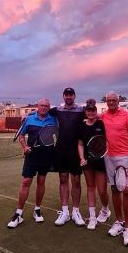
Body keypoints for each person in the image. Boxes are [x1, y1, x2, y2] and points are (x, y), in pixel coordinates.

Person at [7, 98, 57, 228]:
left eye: (47, 106)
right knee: (26, 182)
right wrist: (24, 147)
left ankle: (37, 210)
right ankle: (19, 214)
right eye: (42, 105)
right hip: (31, 155)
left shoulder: (53, 119)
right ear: (38, 106)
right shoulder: (29, 119)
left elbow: (58, 132)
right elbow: (22, 136)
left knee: (41, 182)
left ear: (49, 107)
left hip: (46, 154)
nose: (44, 108)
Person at [100, 91, 128, 247]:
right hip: (108, 157)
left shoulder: (126, 115)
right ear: (106, 102)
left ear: (118, 101)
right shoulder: (102, 116)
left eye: (113, 100)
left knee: (127, 191)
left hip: (124, 157)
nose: (111, 102)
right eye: (108, 100)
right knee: (115, 189)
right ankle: (119, 221)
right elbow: (87, 116)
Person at [48, 87, 86, 226]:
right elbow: (42, 111)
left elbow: (94, 117)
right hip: (61, 149)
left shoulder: (81, 110)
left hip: (76, 150)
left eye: (71, 95)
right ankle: (65, 212)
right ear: (63, 96)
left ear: (74, 96)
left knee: (76, 181)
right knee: (63, 179)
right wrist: (27, 116)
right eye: (66, 95)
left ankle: (76, 212)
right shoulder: (57, 110)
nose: (69, 97)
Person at [77, 98, 111, 230]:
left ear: (95, 111)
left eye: (93, 110)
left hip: (100, 160)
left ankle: (105, 209)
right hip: (87, 161)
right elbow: (80, 144)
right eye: (88, 110)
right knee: (90, 187)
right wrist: (81, 158)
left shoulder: (101, 124)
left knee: (102, 190)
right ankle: (92, 218)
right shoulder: (81, 126)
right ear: (85, 111)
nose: (90, 112)